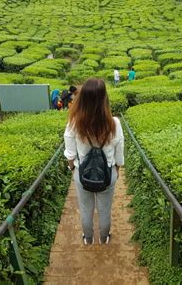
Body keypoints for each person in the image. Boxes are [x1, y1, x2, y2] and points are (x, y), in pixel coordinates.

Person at [64, 78, 124, 245]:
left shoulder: (74, 122)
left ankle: (88, 239)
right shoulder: (115, 123)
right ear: (104, 98)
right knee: (105, 209)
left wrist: (73, 169)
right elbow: (119, 152)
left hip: (82, 173)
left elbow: (70, 154)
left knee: (85, 209)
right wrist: (117, 169)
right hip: (107, 173)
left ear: (83, 98)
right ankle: (104, 238)